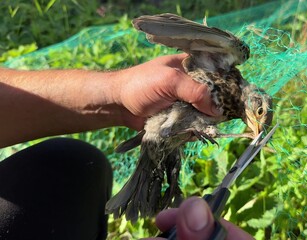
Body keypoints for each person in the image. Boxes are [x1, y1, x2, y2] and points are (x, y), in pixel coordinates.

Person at [0, 53, 253, 239]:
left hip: (165, 127)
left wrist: (118, 94)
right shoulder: (229, 61)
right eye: (259, 111)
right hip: (166, 127)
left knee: (72, 165)